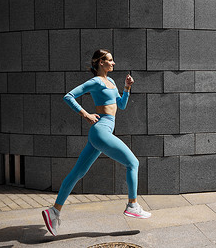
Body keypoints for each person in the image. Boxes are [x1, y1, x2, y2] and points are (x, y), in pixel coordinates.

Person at [42, 49, 151, 237]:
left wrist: (126, 88)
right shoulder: (95, 82)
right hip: (100, 130)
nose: (113, 63)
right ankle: (132, 205)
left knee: (78, 172)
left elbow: (121, 105)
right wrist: (85, 114)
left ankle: (54, 211)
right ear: (100, 62)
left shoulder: (112, 82)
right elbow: (68, 96)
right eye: (110, 60)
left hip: (102, 132)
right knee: (133, 163)